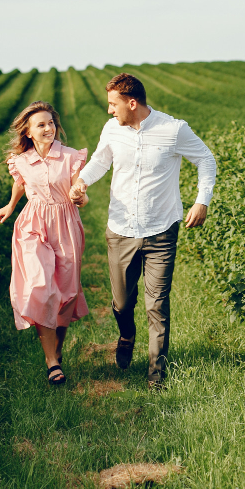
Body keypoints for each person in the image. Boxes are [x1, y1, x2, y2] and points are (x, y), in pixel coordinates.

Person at [69, 73, 216, 390]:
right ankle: (126, 334)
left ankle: (156, 376)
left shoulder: (174, 130)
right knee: (122, 303)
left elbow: (205, 158)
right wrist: (81, 181)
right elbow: (99, 161)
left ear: (131, 103)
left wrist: (201, 201)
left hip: (162, 230)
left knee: (157, 306)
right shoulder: (112, 129)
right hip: (120, 229)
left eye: (113, 104)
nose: (109, 110)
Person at [0, 101, 89, 385]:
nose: (48, 128)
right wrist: (10, 206)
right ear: (28, 131)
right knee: (40, 287)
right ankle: (51, 362)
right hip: (33, 225)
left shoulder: (70, 157)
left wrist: (80, 197)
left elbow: (79, 188)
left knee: (65, 294)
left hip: (66, 225)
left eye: (51, 123)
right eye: (41, 124)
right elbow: (21, 183)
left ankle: (56, 354)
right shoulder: (20, 160)